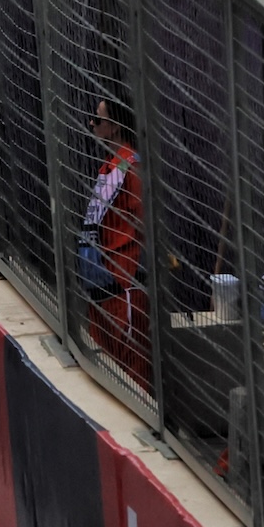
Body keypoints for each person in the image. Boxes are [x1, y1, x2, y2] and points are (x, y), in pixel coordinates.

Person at [79, 97, 149, 392]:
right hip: (102, 283)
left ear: (115, 127)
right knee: (105, 372)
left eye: (98, 119)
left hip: (123, 287)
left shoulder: (130, 168)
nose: (91, 124)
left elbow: (145, 223)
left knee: (133, 377)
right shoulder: (111, 167)